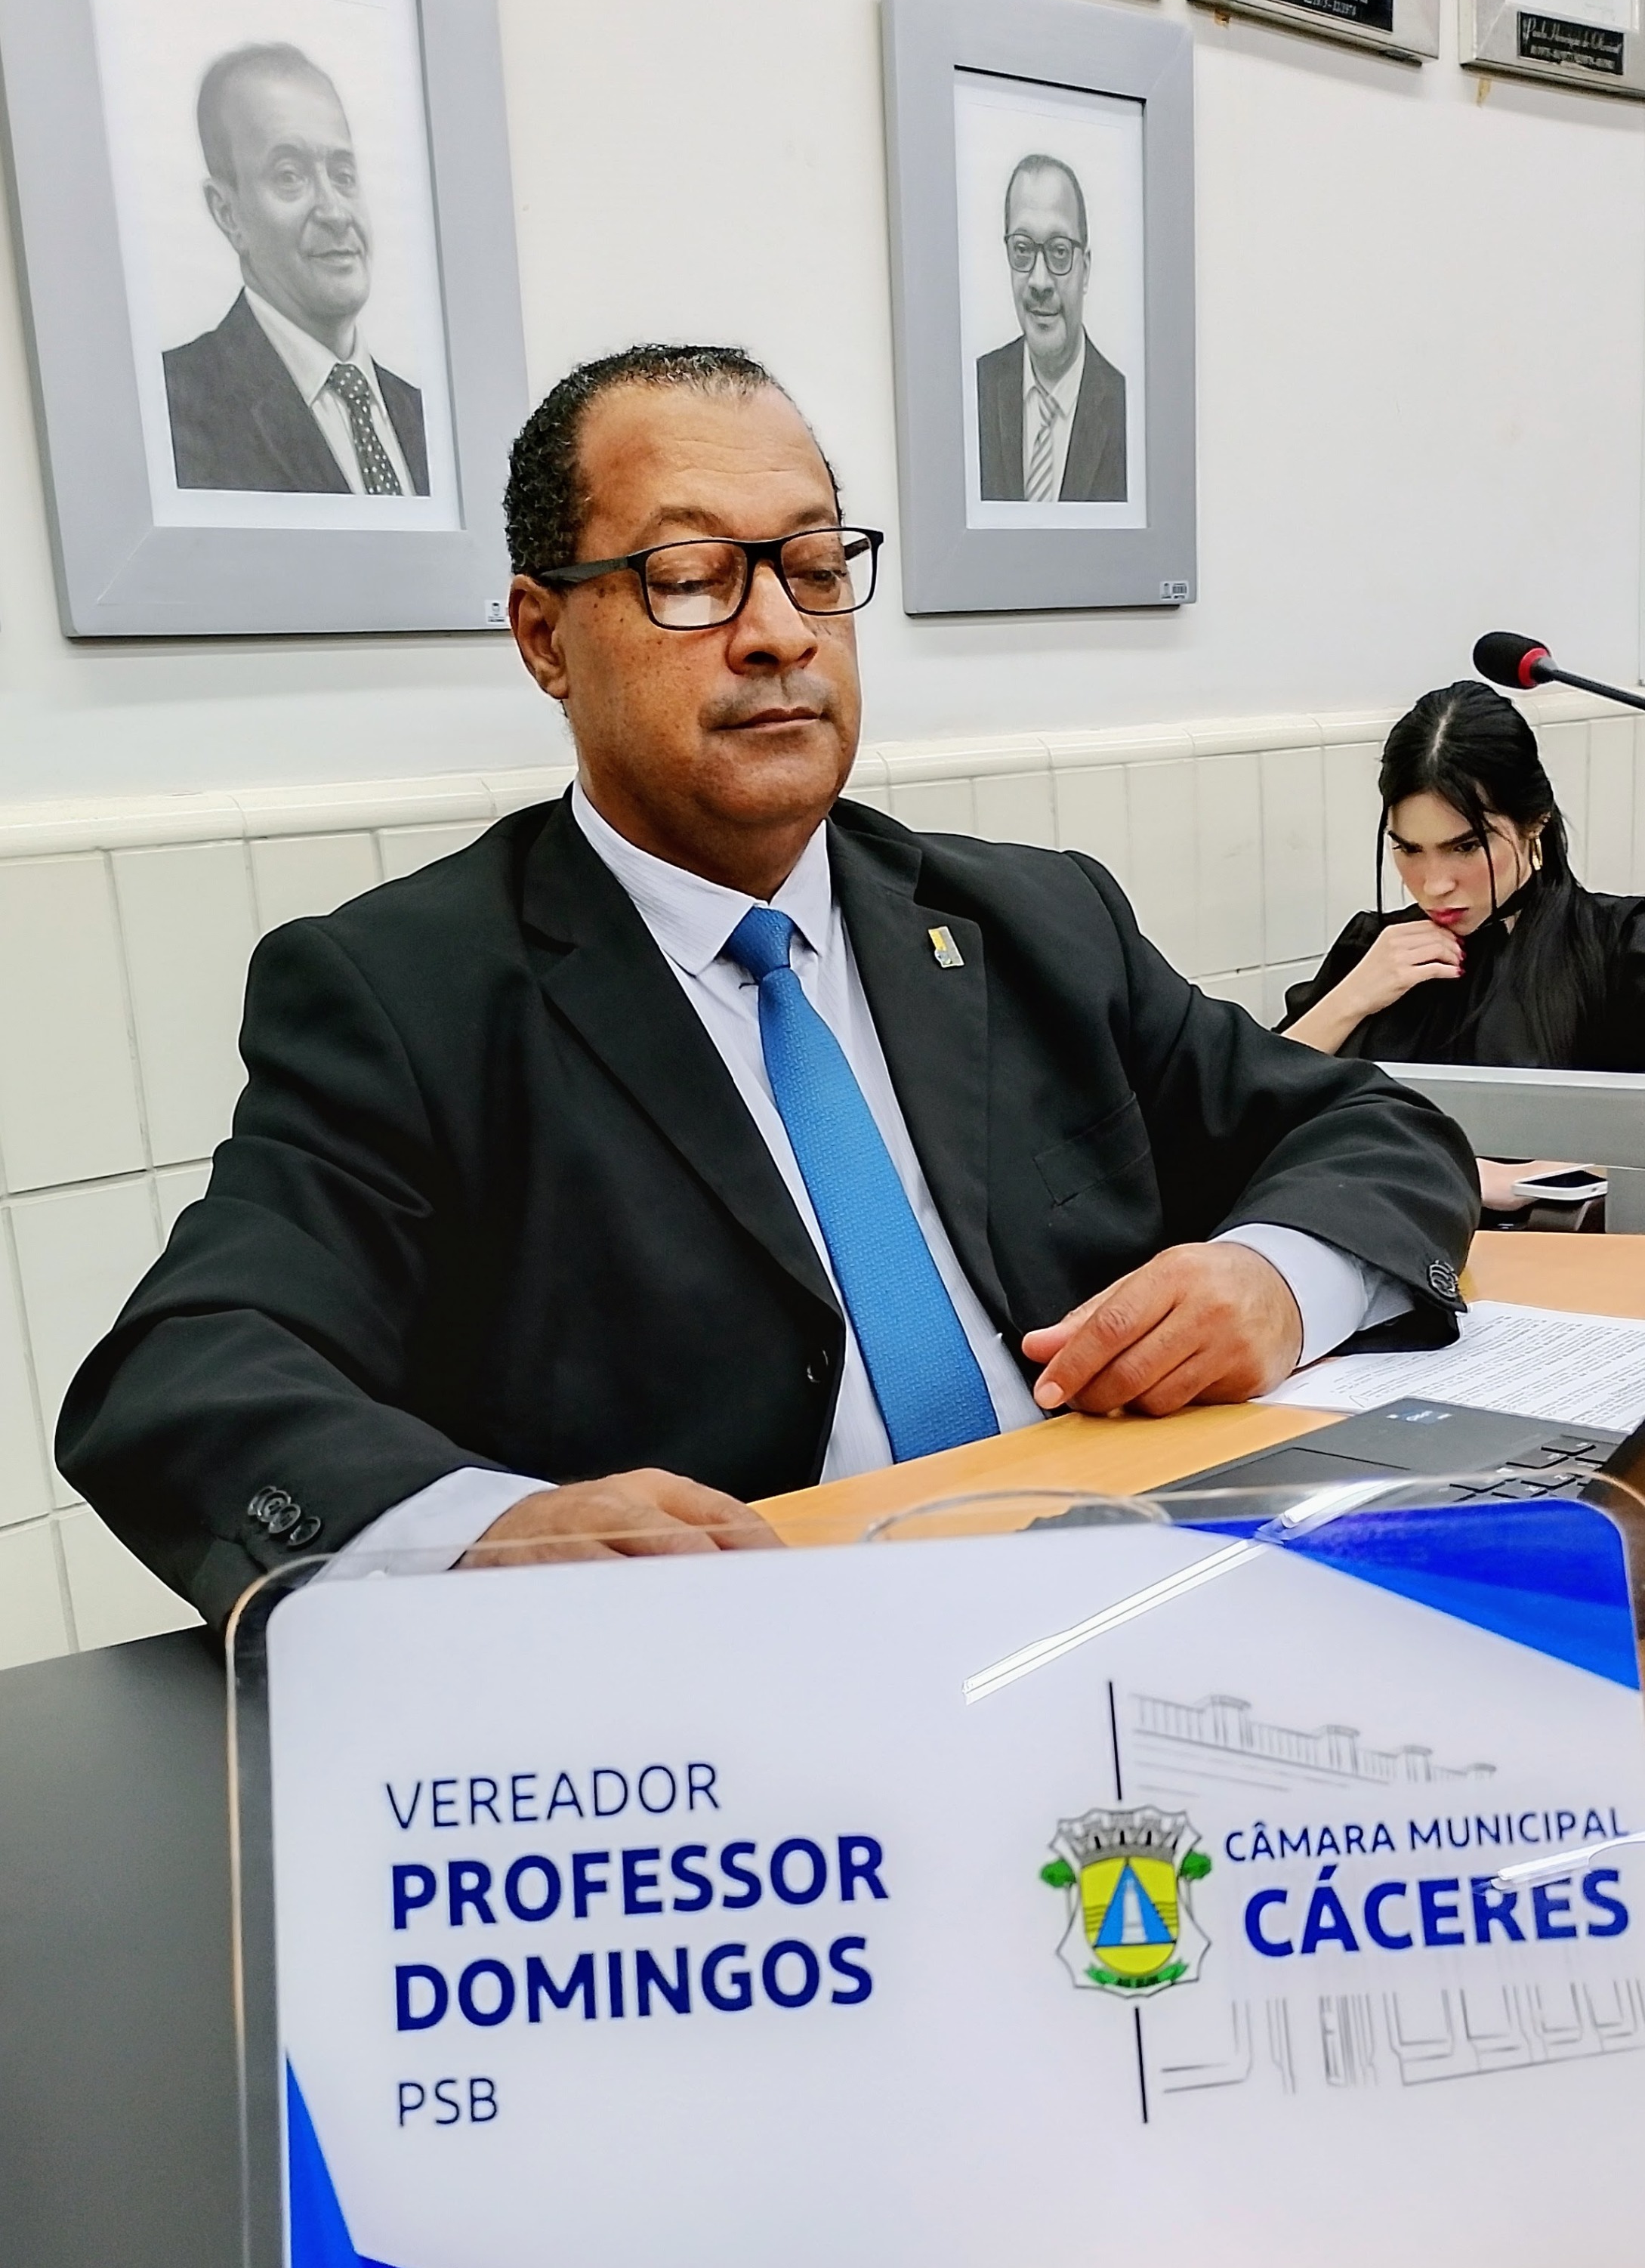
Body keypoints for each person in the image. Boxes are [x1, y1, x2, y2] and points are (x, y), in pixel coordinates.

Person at [57, 343, 1476, 1625]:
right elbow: (185, 1376)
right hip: (739, 1689)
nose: (780, 632)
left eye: (811, 565)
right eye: (689, 576)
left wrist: (1273, 1280)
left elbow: (1372, 1129)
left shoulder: (1031, 917)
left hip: (1128, 1592)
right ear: (544, 637)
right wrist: (484, 1533)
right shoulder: (406, 997)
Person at [1277, 680, 1645, 1201]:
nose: (1434, 884)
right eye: (1409, 849)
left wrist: (1534, 1178)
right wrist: (1351, 998)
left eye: (1466, 847)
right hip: (1376, 1224)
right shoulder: (1374, 948)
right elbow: (1247, 1109)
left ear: (1534, 823)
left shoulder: (1620, 949)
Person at [162, 42, 429, 496]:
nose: (335, 212)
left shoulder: (422, 415)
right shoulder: (177, 408)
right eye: (290, 176)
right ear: (228, 213)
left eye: (343, 175)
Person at [976, 156, 1126, 505]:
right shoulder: (974, 392)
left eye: (1059, 251)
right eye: (1023, 249)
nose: (1039, 281)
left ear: (1085, 269)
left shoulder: (1127, 410)